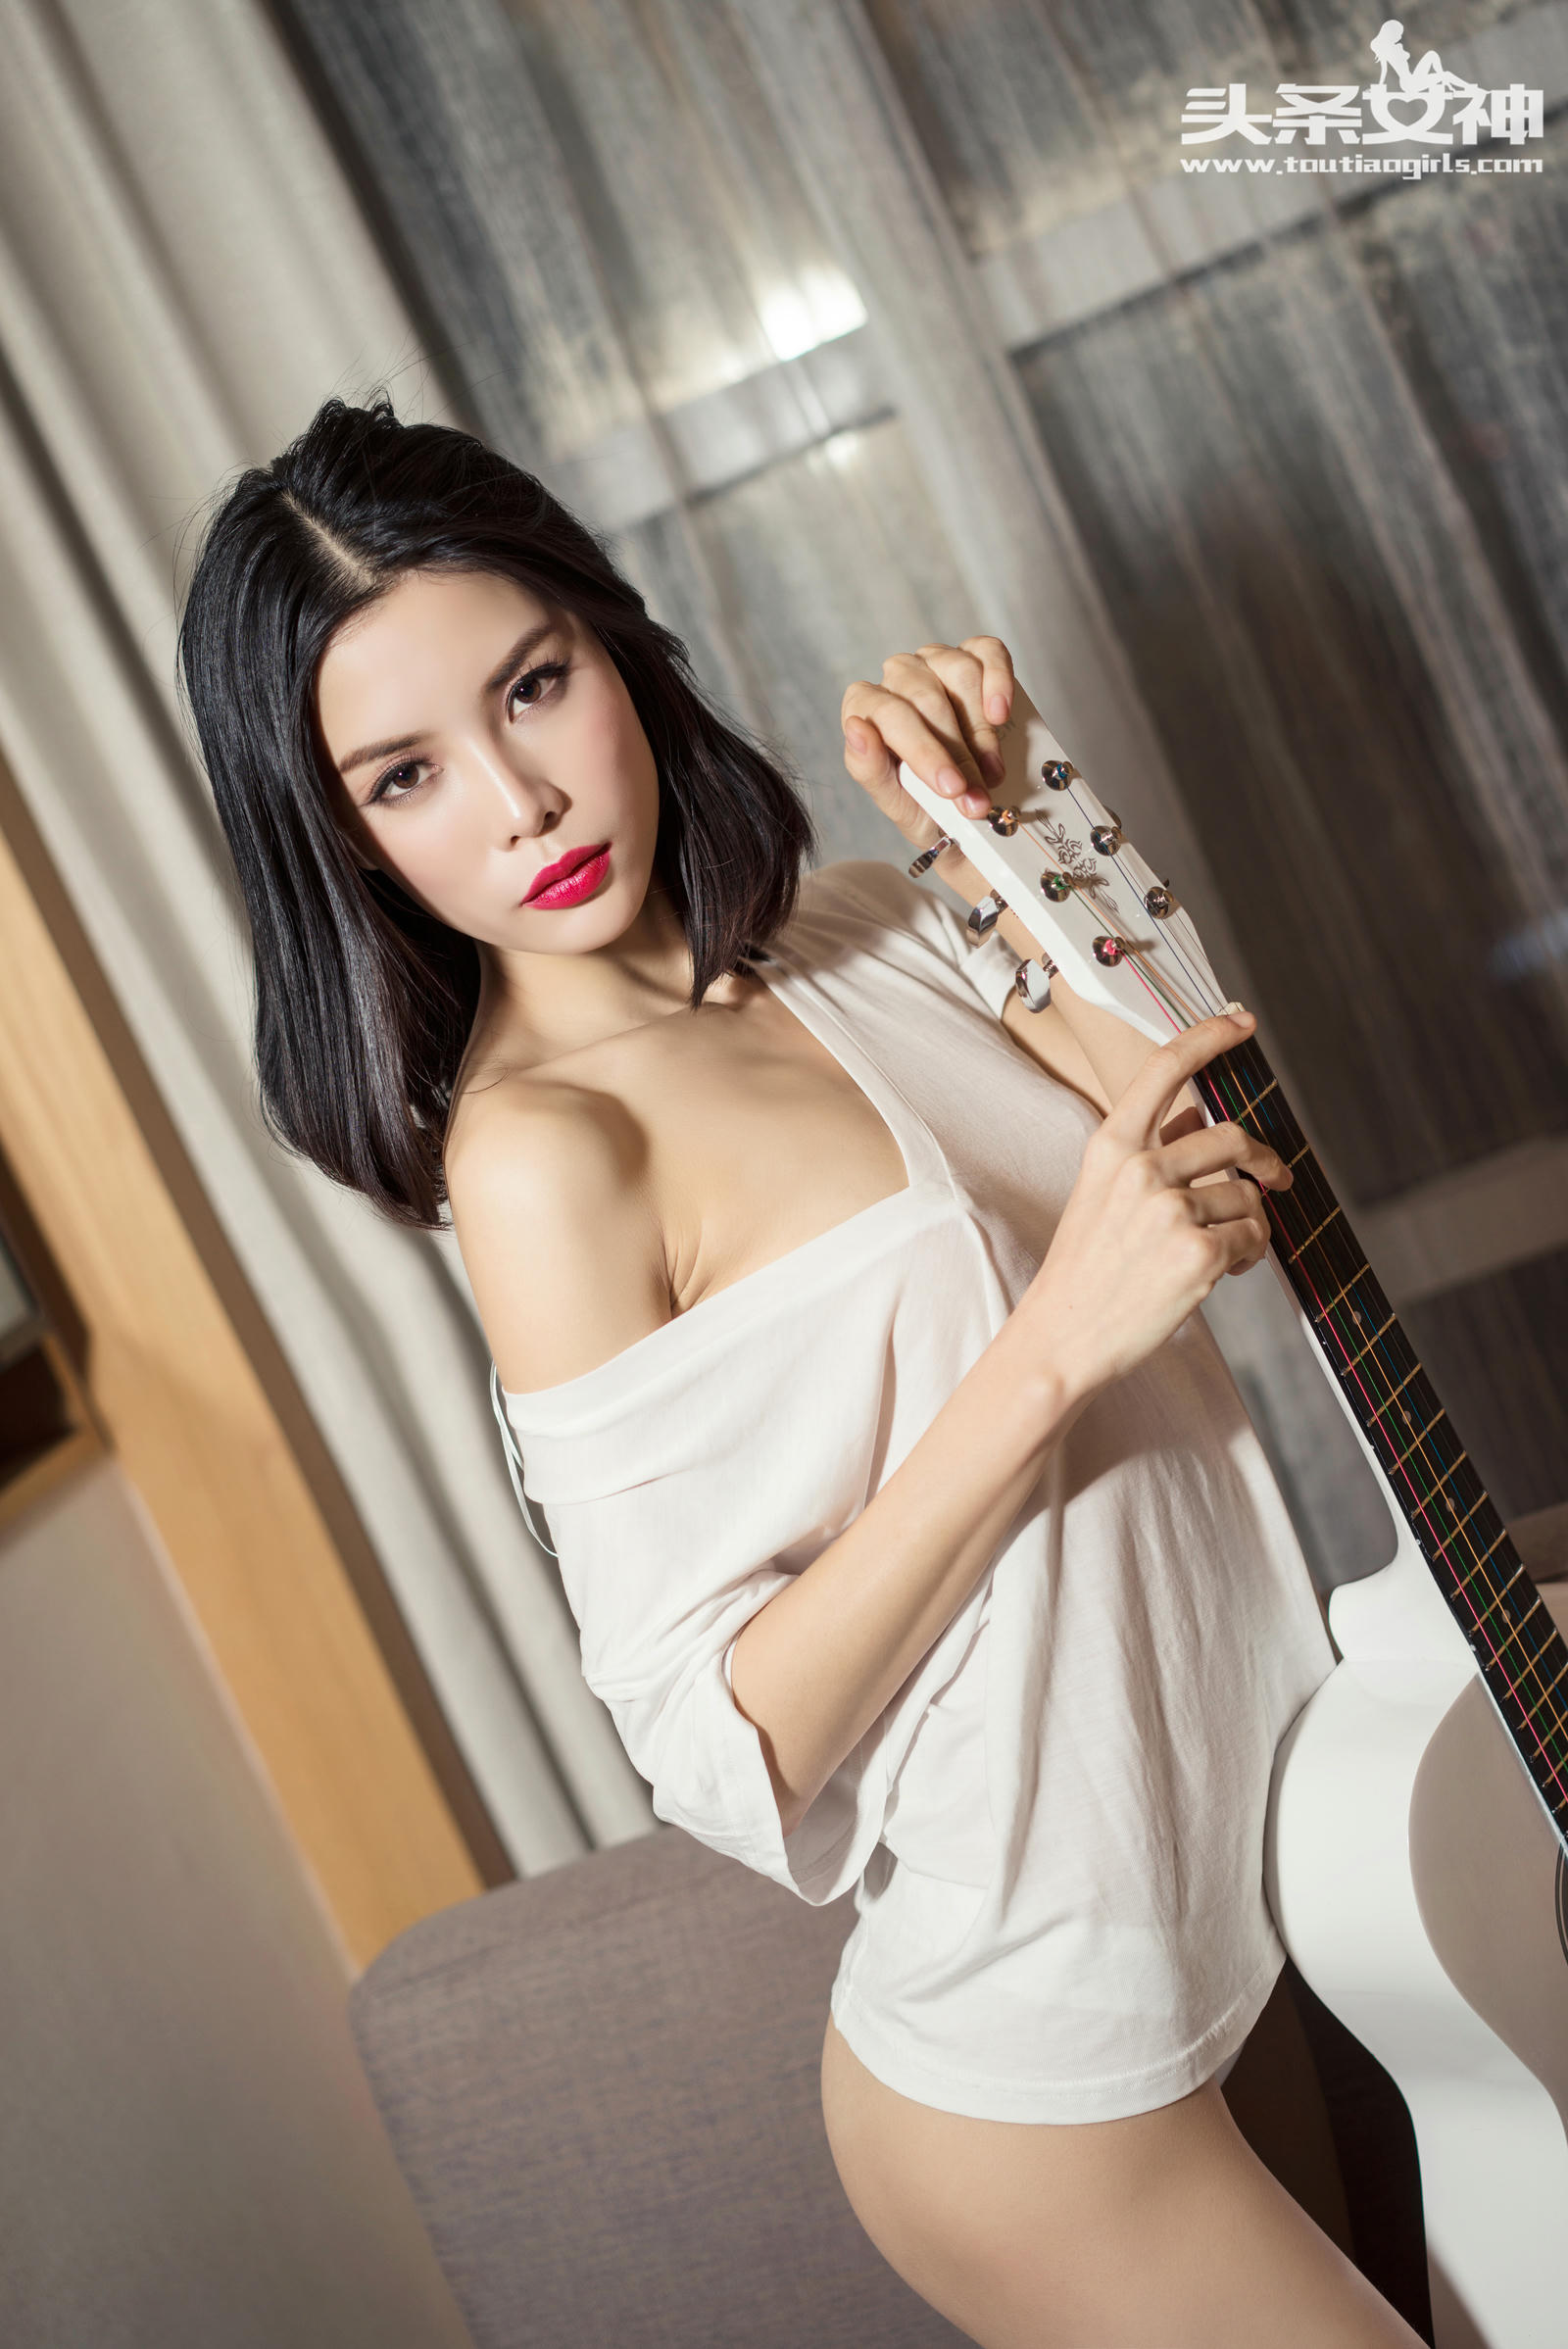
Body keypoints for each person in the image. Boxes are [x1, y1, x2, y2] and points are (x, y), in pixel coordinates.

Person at [177, 394, 1421, 2347]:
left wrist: (1008, 823)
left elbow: (1241, 1169)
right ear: (333, 835)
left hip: (1251, 1904)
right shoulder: (544, 1155)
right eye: (405, 773)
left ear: (615, 646)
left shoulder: (858, 927)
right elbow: (716, 1744)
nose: (521, 803)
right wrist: (1052, 1346)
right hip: (1040, 2070)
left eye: (532, 685)